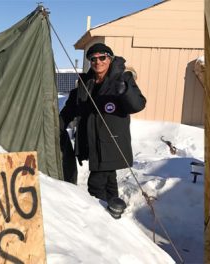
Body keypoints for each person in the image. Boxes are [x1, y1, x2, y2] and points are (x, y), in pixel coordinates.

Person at [59, 43, 146, 202]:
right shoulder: (86, 82)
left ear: (110, 59)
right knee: (109, 181)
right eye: (93, 59)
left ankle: (99, 219)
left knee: (96, 185)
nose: (98, 62)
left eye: (102, 57)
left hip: (111, 142)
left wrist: (125, 91)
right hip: (92, 142)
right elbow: (70, 109)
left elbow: (138, 105)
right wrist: (58, 125)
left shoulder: (122, 78)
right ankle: (114, 213)